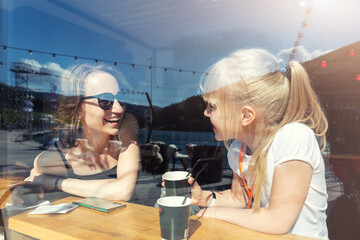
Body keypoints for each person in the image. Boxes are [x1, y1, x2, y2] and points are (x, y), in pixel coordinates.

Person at [188, 49, 329, 239]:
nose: (205, 112)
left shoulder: (293, 137)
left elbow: (278, 220)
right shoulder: (238, 149)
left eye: (212, 106)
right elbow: (239, 198)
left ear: (246, 116)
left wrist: (213, 213)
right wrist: (205, 198)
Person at [13, 64, 139, 204]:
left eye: (120, 98)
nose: (119, 108)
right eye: (105, 100)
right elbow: (32, 180)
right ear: (78, 110)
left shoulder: (126, 130)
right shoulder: (53, 160)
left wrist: (54, 182)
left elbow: (124, 190)